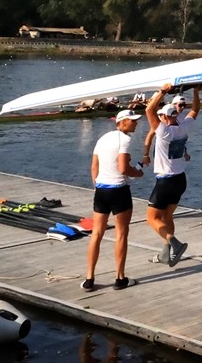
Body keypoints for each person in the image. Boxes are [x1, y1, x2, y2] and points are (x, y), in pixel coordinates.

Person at [83, 109, 145, 291]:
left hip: (101, 191)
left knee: (96, 234)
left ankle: (89, 279)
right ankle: (120, 278)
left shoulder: (102, 139)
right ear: (122, 122)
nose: (136, 123)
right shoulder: (125, 140)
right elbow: (124, 168)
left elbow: (94, 166)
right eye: (132, 120)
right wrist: (138, 173)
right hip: (119, 191)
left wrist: (96, 187)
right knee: (121, 234)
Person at [142, 82, 201, 267]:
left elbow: (149, 110)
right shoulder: (184, 127)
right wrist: (196, 92)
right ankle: (166, 253)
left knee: (152, 218)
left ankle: (175, 244)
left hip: (165, 182)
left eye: (161, 116)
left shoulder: (164, 131)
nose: (159, 118)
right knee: (167, 217)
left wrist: (162, 92)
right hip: (180, 180)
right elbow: (195, 110)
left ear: (165, 117)